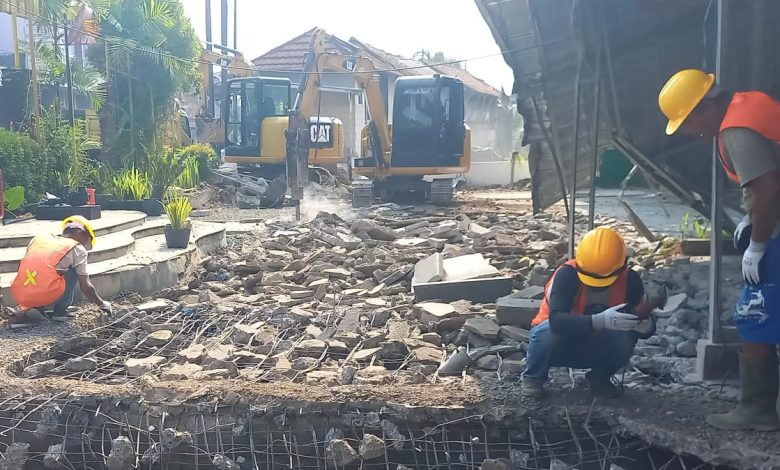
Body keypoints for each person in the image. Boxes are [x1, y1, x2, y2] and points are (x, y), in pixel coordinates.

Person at [659, 69, 780, 431]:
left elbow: (768, 189)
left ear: (704, 107)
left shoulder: (735, 130)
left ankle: (757, 410)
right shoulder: (750, 103)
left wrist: (758, 244)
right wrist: (751, 218)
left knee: (755, 314)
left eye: (687, 121)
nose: (690, 131)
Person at [521, 227, 656, 399]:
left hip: (595, 347)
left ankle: (600, 379)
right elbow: (556, 321)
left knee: (626, 337)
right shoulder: (566, 275)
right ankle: (533, 378)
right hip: (557, 345)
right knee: (548, 331)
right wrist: (599, 321)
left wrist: (645, 325)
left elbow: (642, 325)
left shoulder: (630, 280)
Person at [10, 215, 112, 320]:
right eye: (88, 238)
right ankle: (60, 311)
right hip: (45, 291)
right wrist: (102, 304)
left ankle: (35, 307)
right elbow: (85, 286)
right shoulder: (76, 248)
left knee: (45, 269)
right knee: (74, 271)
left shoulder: (39, 239)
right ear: (80, 232)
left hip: (21, 291)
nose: (85, 243)